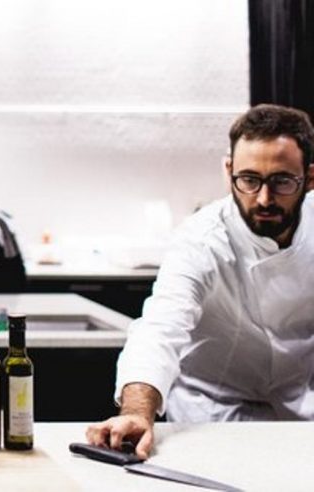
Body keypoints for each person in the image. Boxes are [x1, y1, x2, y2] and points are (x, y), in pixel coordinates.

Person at [86, 104, 314, 458]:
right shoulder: (203, 239)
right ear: (229, 171)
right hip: (212, 415)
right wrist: (135, 412)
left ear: (310, 178)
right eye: (249, 180)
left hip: (299, 413)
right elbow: (160, 327)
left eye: (282, 181)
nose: (264, 198)